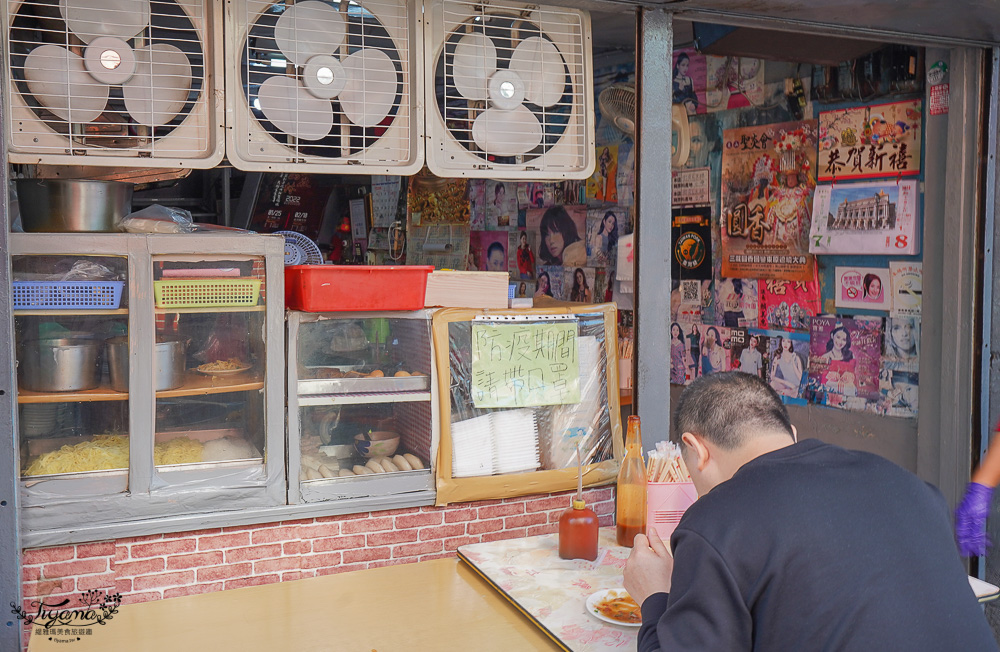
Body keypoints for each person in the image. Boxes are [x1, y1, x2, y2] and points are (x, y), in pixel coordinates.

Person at [624, 372, 997, 652]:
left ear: (696, 448)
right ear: (791, 432)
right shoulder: (911, 486)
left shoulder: (716, 520)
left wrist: (654, 596)